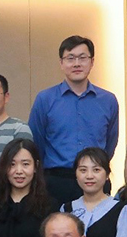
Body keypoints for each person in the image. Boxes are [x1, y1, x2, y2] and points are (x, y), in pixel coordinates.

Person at [29, 36, 120, 203]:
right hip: (56, 182)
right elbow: (37, 142)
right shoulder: (45, 99)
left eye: (82, 58)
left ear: (92, 62)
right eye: (70, 58)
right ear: (61, 63)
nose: (76, 64)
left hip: (96, 181)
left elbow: (110, 142)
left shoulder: (108, 100)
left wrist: (95, 168)